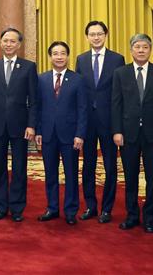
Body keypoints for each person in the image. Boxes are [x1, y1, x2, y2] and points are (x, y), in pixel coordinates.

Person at [112, 33, 153, 233]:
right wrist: (117, 131)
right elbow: (116, 105)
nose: (141, 50)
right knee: (130, 177)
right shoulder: (120, 73)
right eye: (137, 47)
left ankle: (149, 218)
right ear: (131, 50)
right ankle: (131, 216)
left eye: (144, 47)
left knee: (152, 178)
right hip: (128, 134)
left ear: (150, 50)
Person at [75, 21, 125, 224]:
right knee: (88, 165)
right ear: (86, 36)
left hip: (109, 121)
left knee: (110, 165)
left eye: (99, 34)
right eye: (92, 34)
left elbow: (120, 93)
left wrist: (118, 125)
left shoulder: (117, 59)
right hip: (87, 121)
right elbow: (79, 93)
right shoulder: (81, 59)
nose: (96, 37)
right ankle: (90, 206)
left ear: (106, 35)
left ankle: (107, 208)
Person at [0, 28, 38, 222]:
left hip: (20, 126)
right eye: (5, 41)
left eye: (12, 41)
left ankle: (17, 208)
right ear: (0, 43)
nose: (8, 44)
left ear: (19, 44)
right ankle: (0, 207)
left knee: (19, 168)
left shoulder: (28, 67)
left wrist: (32, 125)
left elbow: (34, 100)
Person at [35, 41, 87, 225]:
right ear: (50, 57)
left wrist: (80, 134)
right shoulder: (41, 79)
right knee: (50, 173)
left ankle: (71, 211)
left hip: (70, 136)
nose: (59, 57)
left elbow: (83, 109)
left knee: (71, 174)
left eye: (62, 53)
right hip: (48, 134)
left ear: (67, 56)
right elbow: (38, 108)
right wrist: (38, 131)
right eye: (55, 53)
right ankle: (52, 208)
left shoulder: (78, 79)